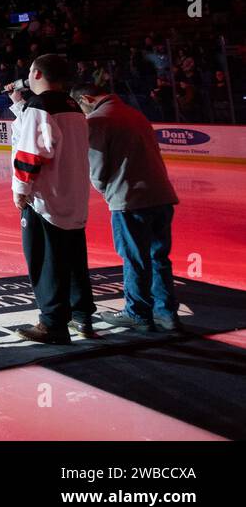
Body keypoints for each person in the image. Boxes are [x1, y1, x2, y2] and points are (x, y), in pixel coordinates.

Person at [72, 83, 182, 332]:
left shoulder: (98, 120)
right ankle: (167, 314)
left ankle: (138, 313)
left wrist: (105, 191)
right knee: (158, 257)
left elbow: (97, 168)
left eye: (81, 107)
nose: (82, 113)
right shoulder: (135, 114)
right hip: (162, 195)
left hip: (130, 199)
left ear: (86, 98)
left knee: (134, 258)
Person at [7, 54, 94, 344]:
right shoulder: (73, 106)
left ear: (37, 74)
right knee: (73, 257)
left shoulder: (40, 106)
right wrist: (20, 106)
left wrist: (21, 190)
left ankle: (53, 322)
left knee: (45, 259)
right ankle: (82, 315)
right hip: (74, 194)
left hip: (46, 199)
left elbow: (30, 153)